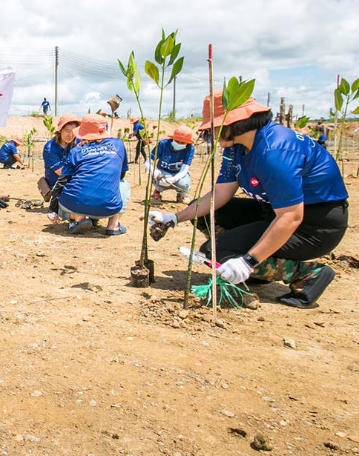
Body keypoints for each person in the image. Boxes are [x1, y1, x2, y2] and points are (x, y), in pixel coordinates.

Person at [149, 91, 348, 308]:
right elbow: (219, 195)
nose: (210, 136)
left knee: (213, 252)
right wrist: (174, 218)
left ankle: (307, 274)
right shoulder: (236, 147)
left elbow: (291, 216)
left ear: (233, 124)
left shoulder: (274, 152)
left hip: (313, 225)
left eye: (213, 129)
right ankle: (248, 266)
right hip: (272, 210)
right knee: (207, 215)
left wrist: (248, 261)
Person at [55, 114, 131, 235]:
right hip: (109, 208)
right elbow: (121, 175)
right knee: (123, 184)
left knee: (73, 190)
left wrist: (53, 208)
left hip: (77, 204)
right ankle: (113, 225)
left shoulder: (76, 150)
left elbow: (64, 179)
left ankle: (77, 218)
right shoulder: (118, 145)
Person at [40, 113, 80, 223]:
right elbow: (62, 173)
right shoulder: (50, 148)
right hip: (57, 183)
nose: (70, 135)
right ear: (60, 131)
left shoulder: (78, 143)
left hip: (74, 179)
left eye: (73, 131)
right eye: (67, 131)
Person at [146, 126, 195, 204]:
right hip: (164, 171)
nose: (179, 144)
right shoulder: (163, 144)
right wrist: (155, 173)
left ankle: (182, 195)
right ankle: (157, 191)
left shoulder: (190, 149)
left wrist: (174, 179)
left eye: (183, 143)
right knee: (162, 181)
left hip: (178, 173)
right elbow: (148, 163)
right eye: (177, 141)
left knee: (184, 183)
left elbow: (184, 169)